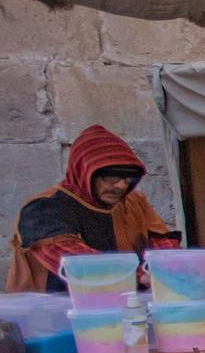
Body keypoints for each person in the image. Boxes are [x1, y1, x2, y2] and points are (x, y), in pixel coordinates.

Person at [7, 125, 181, 293]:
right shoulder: (43, 208)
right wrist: (139, 275)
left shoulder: (134, 201)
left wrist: (168, 268)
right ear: (85, 172)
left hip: (123, 303)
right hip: (53, 310)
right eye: (111, 177)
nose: (120, 185)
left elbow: (161, 239)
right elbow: (74, 260)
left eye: (128, 178)